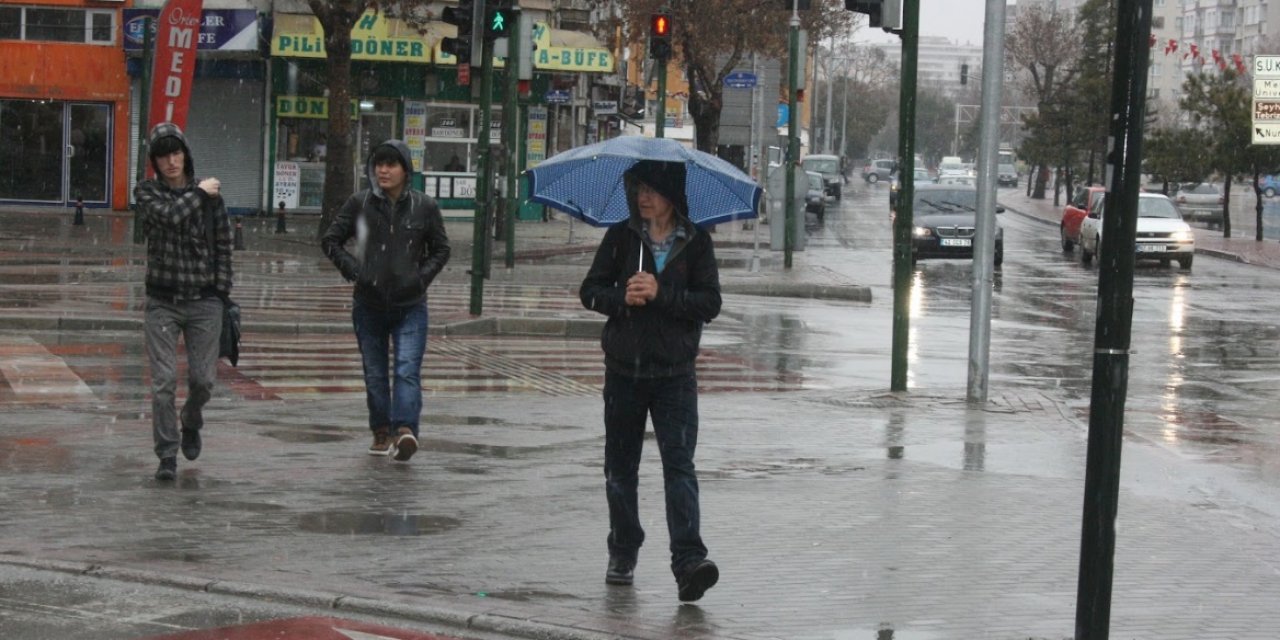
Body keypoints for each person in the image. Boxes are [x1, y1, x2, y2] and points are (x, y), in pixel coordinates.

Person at [578, 159, 722, 602]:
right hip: (624, 371)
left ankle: (688, 562)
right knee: (621, 468)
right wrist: (621, 299)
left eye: (652, 190)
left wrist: (662, 296)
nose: (643, 197)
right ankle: (623, 549)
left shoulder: (696, 242)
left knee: (680, 468)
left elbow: (710, 303)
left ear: (671, 196)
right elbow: (590, 291)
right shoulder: (621, 238)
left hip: (675, 375)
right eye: (638, 188)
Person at [321, 140, 450, 462]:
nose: (383, 170)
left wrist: (420, 278)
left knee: (407, 370)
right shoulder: (359, 203)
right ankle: (381, 430)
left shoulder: (424, 207)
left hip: (411, 305)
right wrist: (353, 269)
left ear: (406, 170)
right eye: (379, 164)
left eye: (391, 165)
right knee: (375, 373)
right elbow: (330, 239)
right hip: (369, 305)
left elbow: (441, 249)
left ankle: (405, 430)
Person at [133, 122, 232, 482]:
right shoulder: (146, 193)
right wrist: (201, 194)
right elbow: (171, 218)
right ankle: (167, 455)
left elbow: (223, 245)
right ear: (154, 162)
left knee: (204, 380)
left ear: (185, 154)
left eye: (176, 153)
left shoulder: (211, 197)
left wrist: (221, 292)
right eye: (163, 156)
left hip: (204, 302)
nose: (171, 161)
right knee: (162, 383)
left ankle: (191, 420)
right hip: (162, 301)